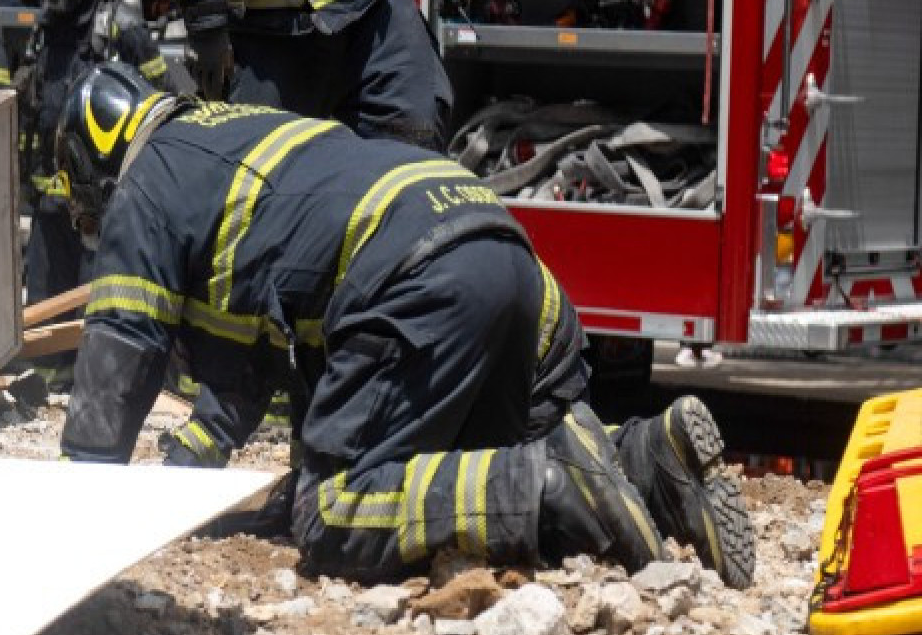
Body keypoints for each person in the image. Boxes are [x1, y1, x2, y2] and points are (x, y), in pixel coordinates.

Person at [53, 63, 756, 588]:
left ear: (97, 167)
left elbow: (122, 343)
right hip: (501, 250)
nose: (94, 226)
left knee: (331, 516)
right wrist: (190, 466)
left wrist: (84, 497)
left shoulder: (144, 185)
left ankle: (552, 488)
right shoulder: (236, 133)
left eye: (87, 209)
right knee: (462, 460)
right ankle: (646, 460)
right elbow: (250, 361)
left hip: (417, 280)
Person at [18, 0, 190, 387]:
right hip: (52, 185)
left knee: (100, 288)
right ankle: (47, 377)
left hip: (106, 190)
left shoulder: (118, 22)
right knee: (47, 282)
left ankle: (99, 377)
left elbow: (165, 92)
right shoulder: (47, 30)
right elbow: (32, 101)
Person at [155, 0, 470, 151]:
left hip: (373, 1)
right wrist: (207, 21)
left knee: (415, 134)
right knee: (257, 188)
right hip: (263, 33)